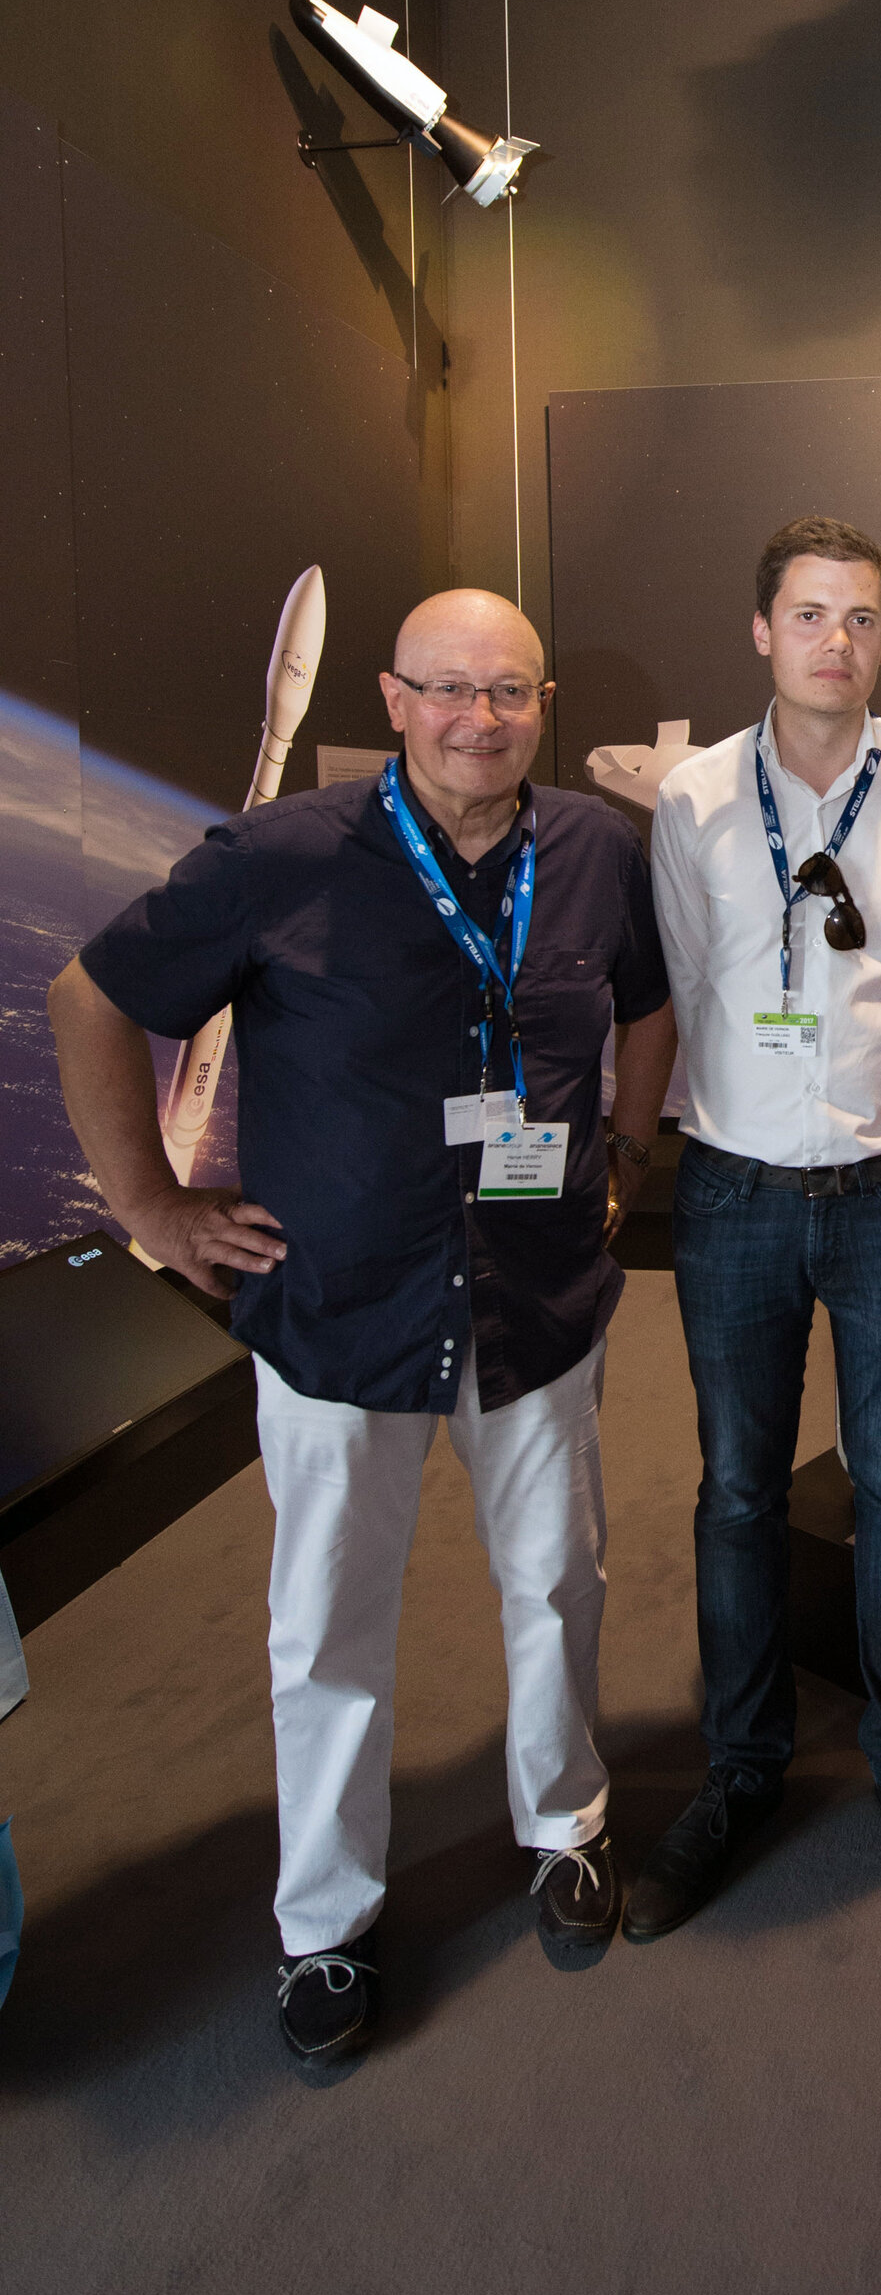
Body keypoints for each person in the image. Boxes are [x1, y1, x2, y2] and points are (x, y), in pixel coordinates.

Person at [48, 591, 676, 2069]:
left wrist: (629, 1150)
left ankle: (567, 1820)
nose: (480, 719)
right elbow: (91, 995)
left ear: (546, 701)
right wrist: (149, 1206)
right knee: (327, 1629)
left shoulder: (594, 850)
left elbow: (648, 1006)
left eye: (509, 692)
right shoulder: (275, 860)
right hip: (340, 1317)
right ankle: (323, 1920)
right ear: (394, 700)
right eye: (449, 690)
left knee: (559, 1585)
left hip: (536, 1306)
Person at [638, 517, 881, 1938]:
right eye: (808, 613)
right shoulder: (689, 803)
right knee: (735, 1489)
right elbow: (678, 986)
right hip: (730, 1191)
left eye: (859, 617)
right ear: (760, 631)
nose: (834, 640)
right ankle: (741, 1771)